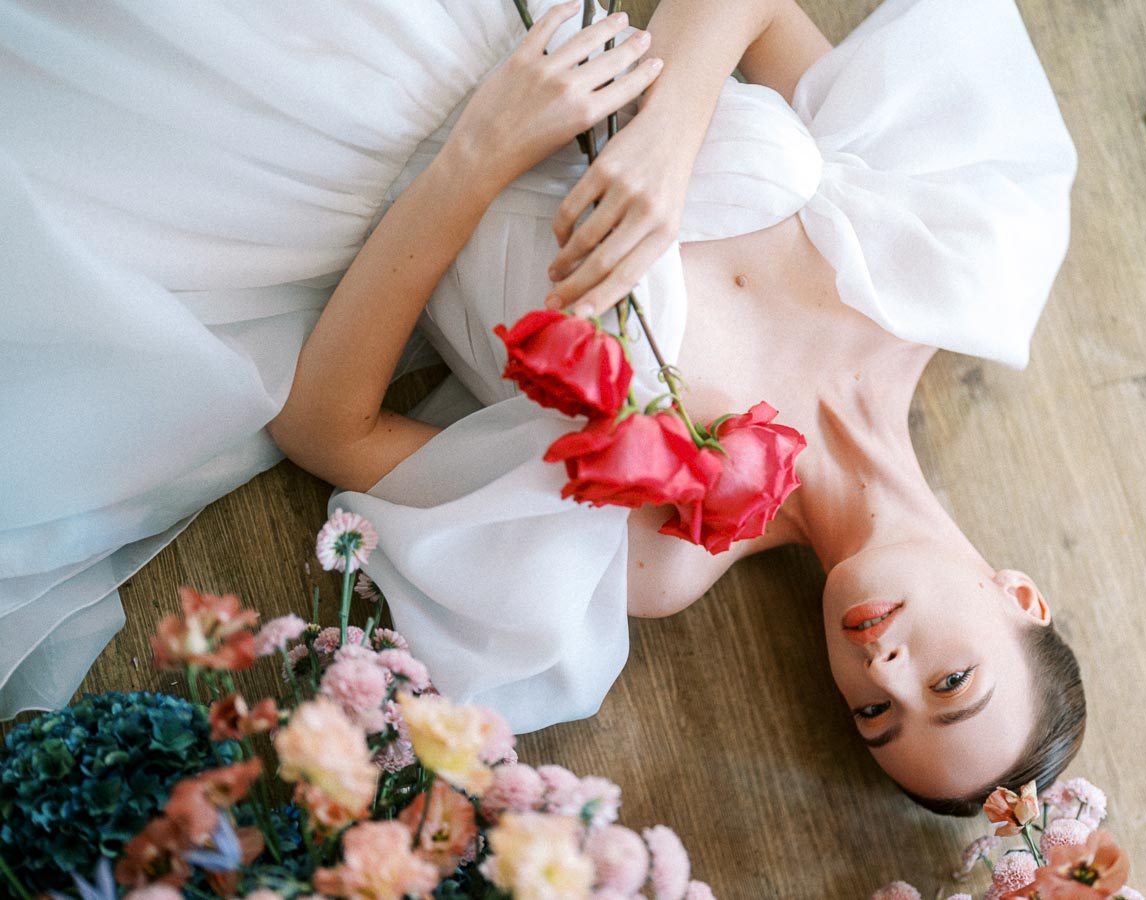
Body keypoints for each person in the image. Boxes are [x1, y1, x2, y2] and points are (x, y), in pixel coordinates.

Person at [0, 0, 1081, 814]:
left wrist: (480, 157)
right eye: (951, 679)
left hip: (315, 139)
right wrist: (668, 130)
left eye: (876, 715)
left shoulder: (665, 555)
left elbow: (326, 428)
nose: (883, 670)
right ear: (1017, 597)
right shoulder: (945, 267)